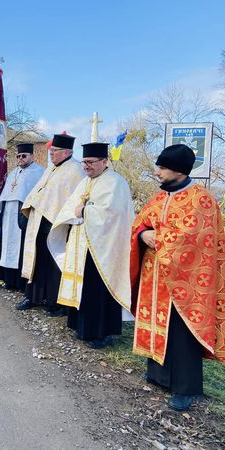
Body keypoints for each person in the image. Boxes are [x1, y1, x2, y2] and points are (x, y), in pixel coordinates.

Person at [130, 144, 225, 411]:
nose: (157, 171)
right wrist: (141, 235)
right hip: (155, 276)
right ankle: (158, 375)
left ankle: (185, 387)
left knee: (182, 332)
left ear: (179, 170)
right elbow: (140, 223)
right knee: (157, 323)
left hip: (187, 280)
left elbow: (193, 239)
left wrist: (155, 236)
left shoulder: (201, 199)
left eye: (162, 167)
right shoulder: (160, 197)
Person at [47, 142, 134, 348]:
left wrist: (84, 211)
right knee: (83, 286)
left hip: (104, 247)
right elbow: (71, 206)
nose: (86, 166)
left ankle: (101, 333)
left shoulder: (115, 182)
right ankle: (81, 326)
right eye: (84, 162)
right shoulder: (85, 182)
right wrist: (74, 214)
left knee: (98, 288)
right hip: (82, 243)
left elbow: (112, 214)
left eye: (91, 162)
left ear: (104, 162)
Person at [16, 133, 85, 315]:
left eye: (54, 151)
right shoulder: (50, 169)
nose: (51, 154)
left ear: (67, 151)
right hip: (38, 222)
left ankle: (56, 303)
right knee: (36, 261)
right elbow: (38, 192)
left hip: (57, 225)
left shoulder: (76, 170)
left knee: (54, 265)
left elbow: (73, 200)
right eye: (51, 150)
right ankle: (34, 297)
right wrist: (26, 210)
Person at [0, 143, 44, 290]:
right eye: (18, 156)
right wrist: (0, 213)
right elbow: (5, 195)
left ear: (32, 156)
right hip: (8, 215)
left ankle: (21, 282)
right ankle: (8, 279)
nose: (20, 158)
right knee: (7, 246)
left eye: (24, 156)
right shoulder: (13, 173)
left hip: (23, 215)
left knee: (21, 247)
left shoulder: (39, 172)